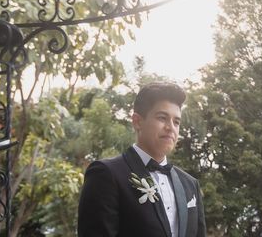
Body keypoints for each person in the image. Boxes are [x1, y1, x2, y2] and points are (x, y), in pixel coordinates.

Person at [78, 81, 206, 237]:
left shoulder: (190, 184)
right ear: (137, 122)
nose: (171, 127)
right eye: (162, 118)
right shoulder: (106, 174)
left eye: (176, 121)